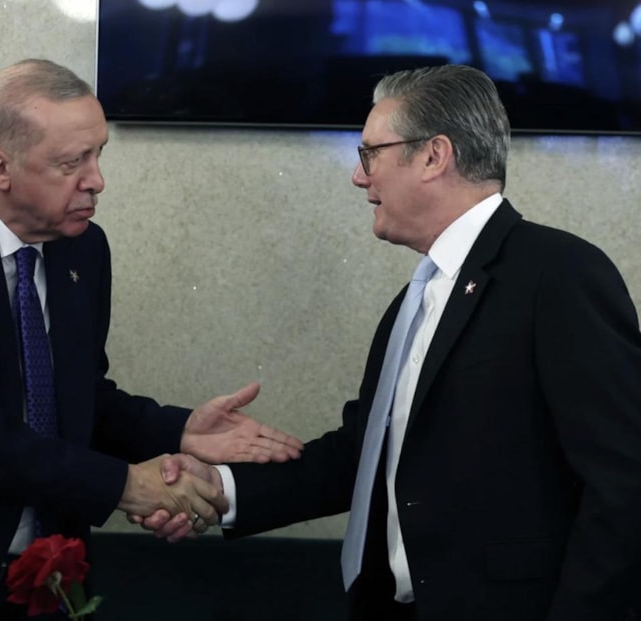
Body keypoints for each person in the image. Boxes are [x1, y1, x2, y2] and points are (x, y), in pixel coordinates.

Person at [139, 64, 641, 620]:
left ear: (433, 156)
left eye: (370, 154)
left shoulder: (560, 273)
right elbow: (363, 457)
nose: (360, 177)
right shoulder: (414, 301)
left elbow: (624, 481)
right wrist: (220, 488)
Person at [0, 58, 303, 621]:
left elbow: (76, 394)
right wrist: (125, 485)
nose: (97, 180)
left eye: (98, 154)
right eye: (71, 162)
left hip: (49, 569)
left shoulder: (84, 247)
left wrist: (179, 429)